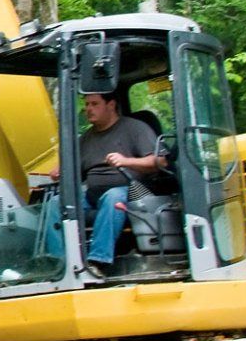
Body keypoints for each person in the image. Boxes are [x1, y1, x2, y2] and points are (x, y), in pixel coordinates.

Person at [43, 92, 162, 281]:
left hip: (133, 193)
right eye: (87, 104)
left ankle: (98, 261)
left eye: (94, 104)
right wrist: (61, 172)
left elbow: (159, 161)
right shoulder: (85, 139)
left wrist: (126, 161)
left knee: (113, 197)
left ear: (111, 105)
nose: (88, 109)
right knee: (55, 204)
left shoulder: (135, 129)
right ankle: (59, 263)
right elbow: (76, 174)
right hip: (92, 197)